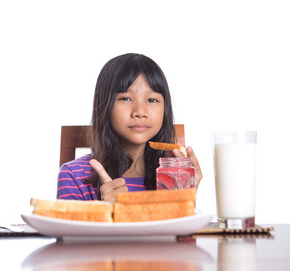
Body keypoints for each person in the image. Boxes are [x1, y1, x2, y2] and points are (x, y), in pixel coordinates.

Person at [57, 53, 202, 202]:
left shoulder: (173, 178)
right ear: (104, 105)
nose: (140, 112)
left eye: (152, 99)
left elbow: (180, 225)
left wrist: (184, 200)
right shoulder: (73, 176)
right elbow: (68, 226)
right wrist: (106, 212)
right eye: (126, 98)